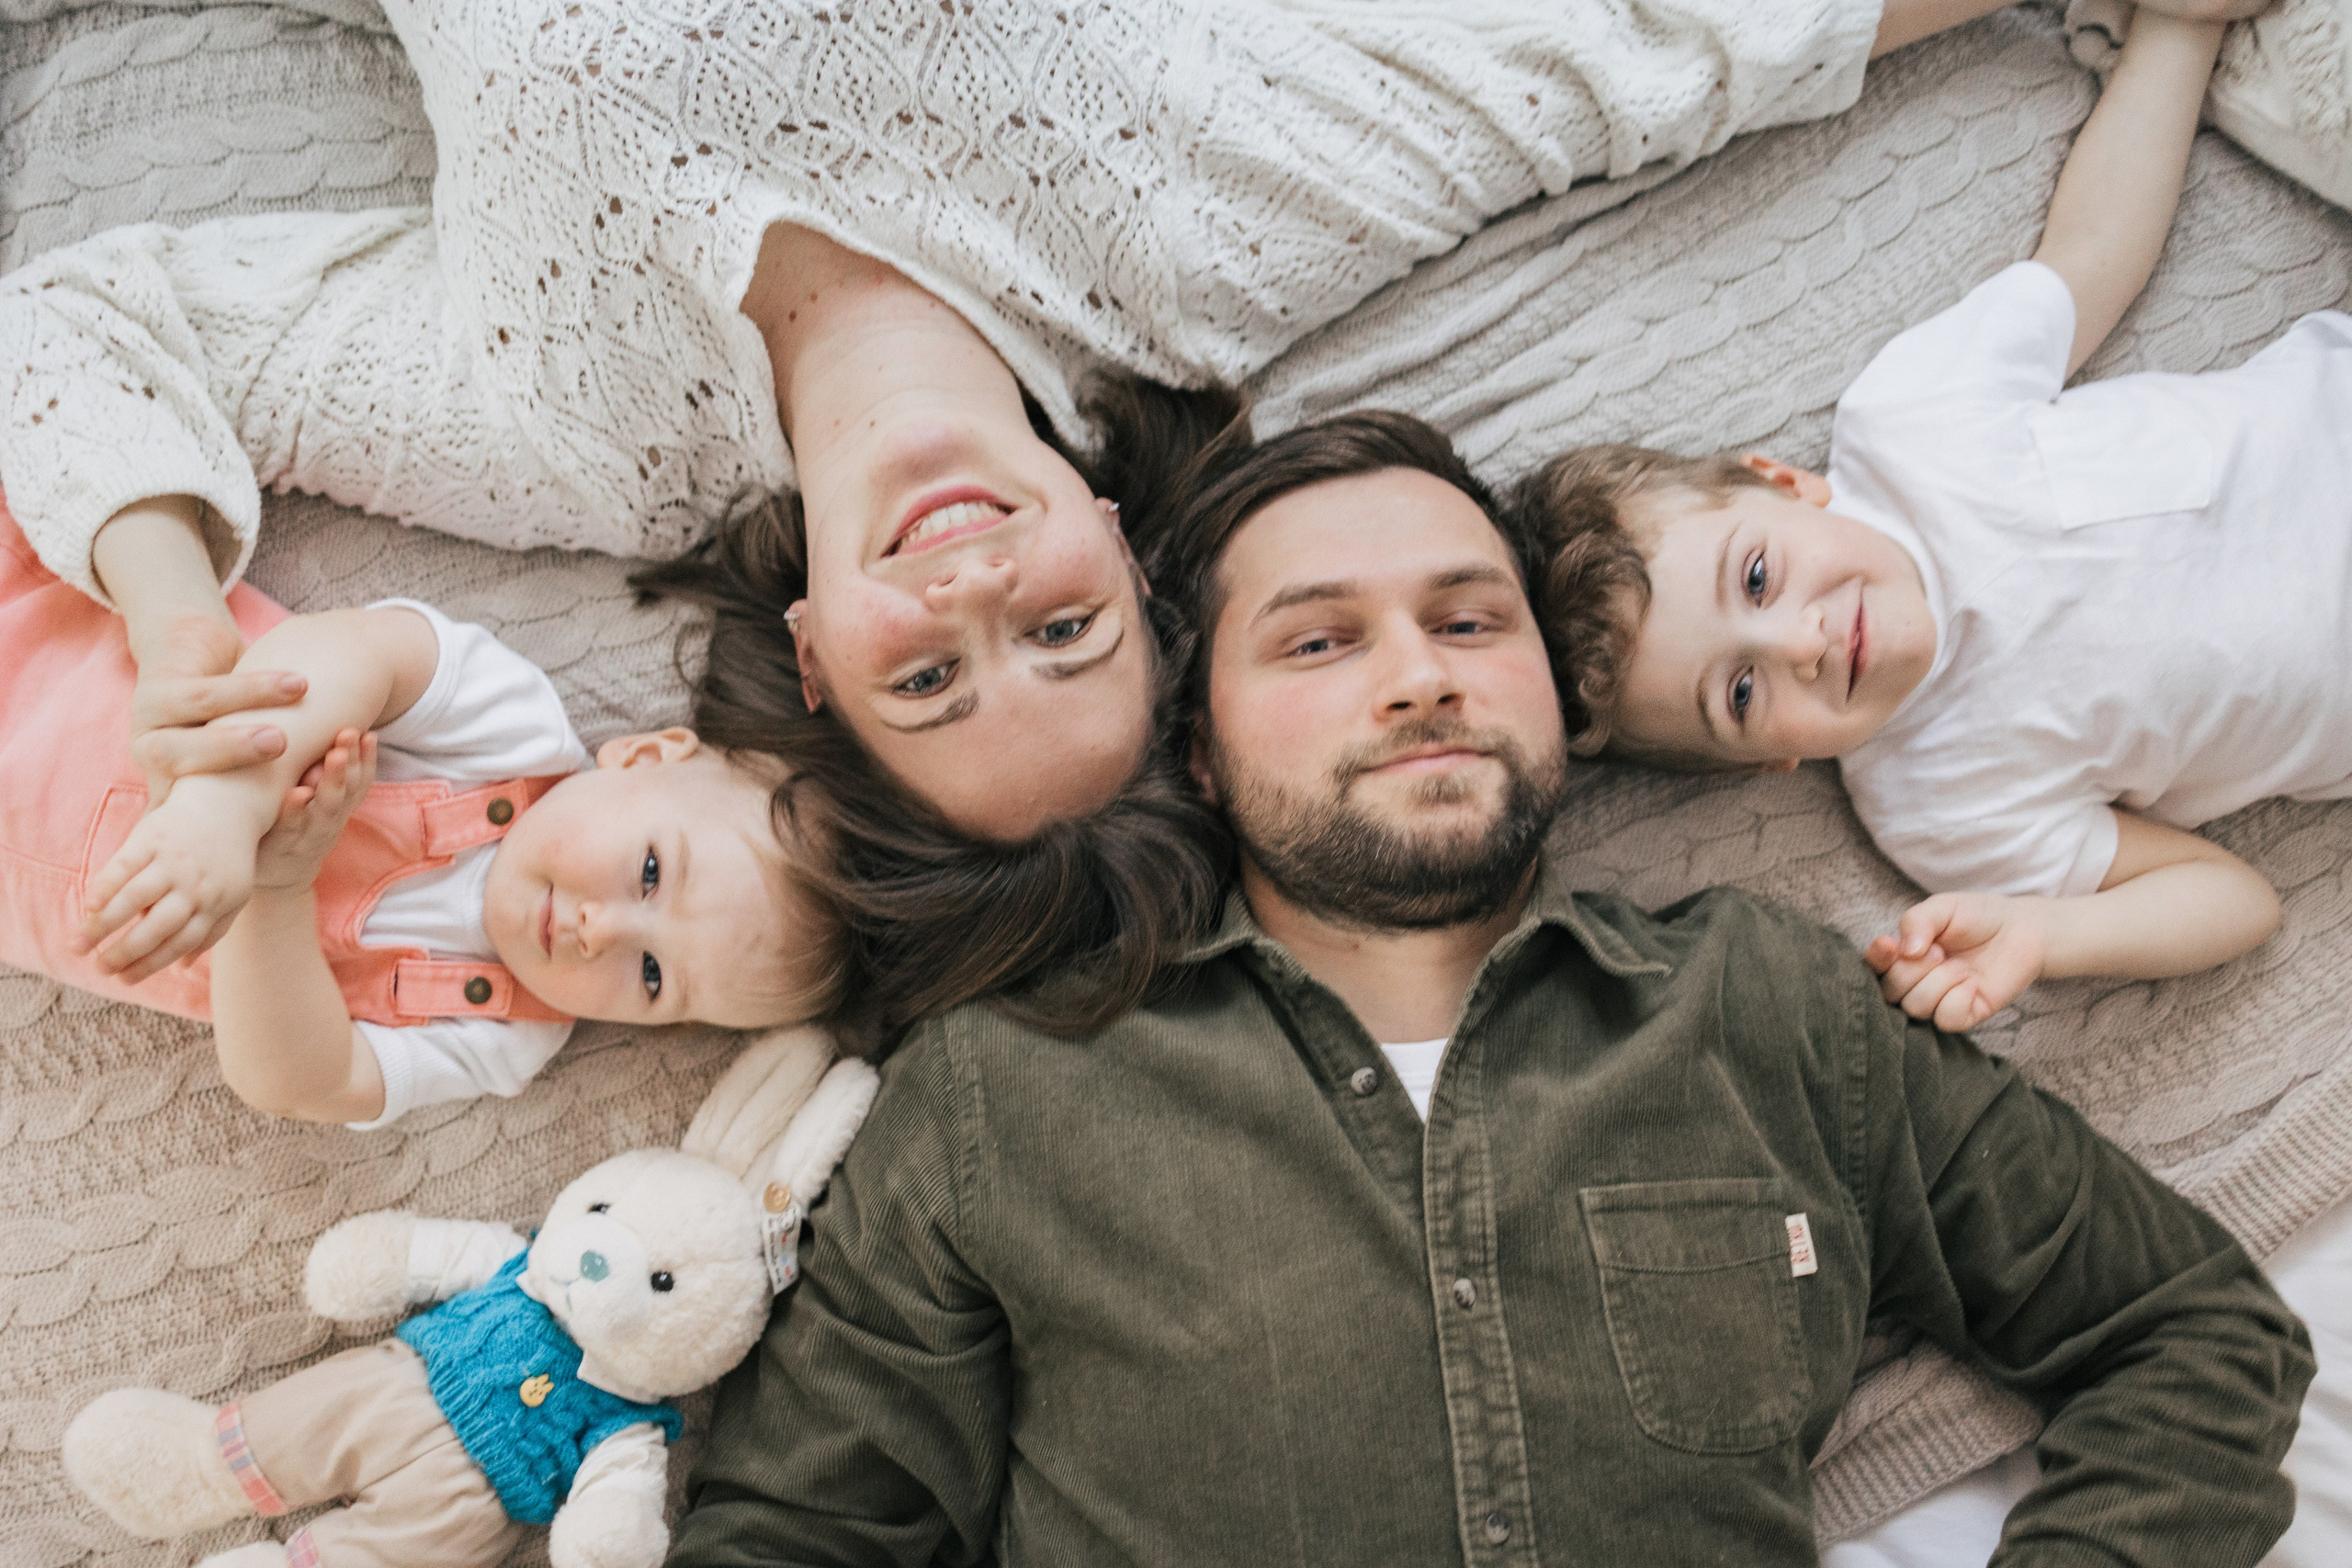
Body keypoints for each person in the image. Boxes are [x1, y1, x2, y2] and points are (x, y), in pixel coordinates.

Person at [666, 412, 2312, 1566]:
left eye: (1470, 618)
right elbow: (801, 1531)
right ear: (1199, 748)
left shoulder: (1772, 1011)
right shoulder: (1002, 1093)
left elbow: (2192, 1337)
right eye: (1318, 644)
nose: (1422, 672)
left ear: (1560, 695)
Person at [0, 0, 2132, 856]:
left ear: (821, 656)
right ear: (1131, 554)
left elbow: (96, 317)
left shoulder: (579, 446)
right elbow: (1627, 45)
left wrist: (183, 630)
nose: (972, 586)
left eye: (927, 668)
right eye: (1062, 633)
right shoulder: (1197, 250)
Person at [1516, 6, 2317, 1031]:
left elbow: (2096, 247)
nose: (1799, 640)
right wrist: (2044, 937)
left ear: (1782, 480)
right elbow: (2236, 903)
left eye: (1756, 578)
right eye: (1745, 691)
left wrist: (2178, 29)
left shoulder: (1910, 422)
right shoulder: (1942, 809)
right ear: (1772, 764)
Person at [0, 493, 843, 1127]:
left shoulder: (508, 1036)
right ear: (646, 756)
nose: (602, 930)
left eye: (653, 976)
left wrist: (276, 889)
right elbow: (342, 654)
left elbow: (301, 1080)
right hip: (49, 645)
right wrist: (227, 811)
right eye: (651, 872)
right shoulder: (509, 726)